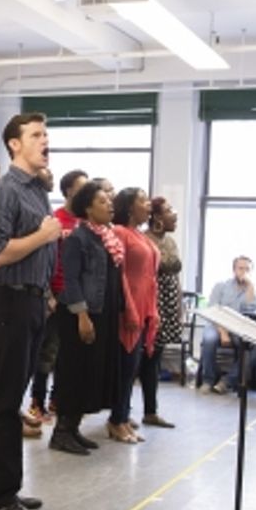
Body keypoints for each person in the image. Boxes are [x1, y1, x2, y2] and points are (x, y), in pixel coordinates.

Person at [0, 113, 58, 510]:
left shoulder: (37, 190)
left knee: (9, 400)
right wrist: (43, 237)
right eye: (36, 135)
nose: (45, 141)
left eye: (46, 134)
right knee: (2, 402)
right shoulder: (6, 191)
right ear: (13, 144)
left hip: (30, 303)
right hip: (8, 304)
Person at [52, 179, 123, 454]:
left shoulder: (104, 236)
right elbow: (70, 279)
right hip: (80, 316)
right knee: (74, 373)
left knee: (89, 374)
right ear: (88, 209)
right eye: (103, 202)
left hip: (102, 315)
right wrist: (81, 315)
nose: (110, 206)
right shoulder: (78, 238)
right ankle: (61, 432)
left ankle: (73, 428)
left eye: (109, 200)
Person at [27, 169, 89, 428]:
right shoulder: (56, 219)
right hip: (54, 296)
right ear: (68, 191)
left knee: (67, 354)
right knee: (46, 352)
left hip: (77, 298)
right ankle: (37, 402)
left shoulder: (85, 223)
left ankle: (57, 401)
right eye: (81, 187)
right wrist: (50, 294)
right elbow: (48, 259)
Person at [108, 188, 159, 444]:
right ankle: (116, 420)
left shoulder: (140, 234)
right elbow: (121, 275)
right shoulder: (119, 233)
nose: (148, 204)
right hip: (128, 308)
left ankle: (124, 417)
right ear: (129, 206)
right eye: (143, 200)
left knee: (132, 367)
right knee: (124, 368)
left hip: (144, 306)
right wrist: (129, 307)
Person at [138, 196, 180, 428]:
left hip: (168, 303)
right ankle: (122, 412)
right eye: (168, 210)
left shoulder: (170, 241)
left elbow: (174, 276)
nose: (174, 214)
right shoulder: (144, 240)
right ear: (156, 217)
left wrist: (179, 306)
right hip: (150, 304)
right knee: (142, 360)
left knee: (155, 360)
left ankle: (150, 411)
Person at [199, 256, 256, 395]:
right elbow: (212, 311)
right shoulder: (221, 286)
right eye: (240, 268)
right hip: (217, 325)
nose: (244, 272)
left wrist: (250, 287)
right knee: (209, 339)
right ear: (234, 270)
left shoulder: (254, 291)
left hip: (239, 329)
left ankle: (227, 381)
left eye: (247, 269)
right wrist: (223, 332)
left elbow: (251, 310)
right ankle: (208, 380)